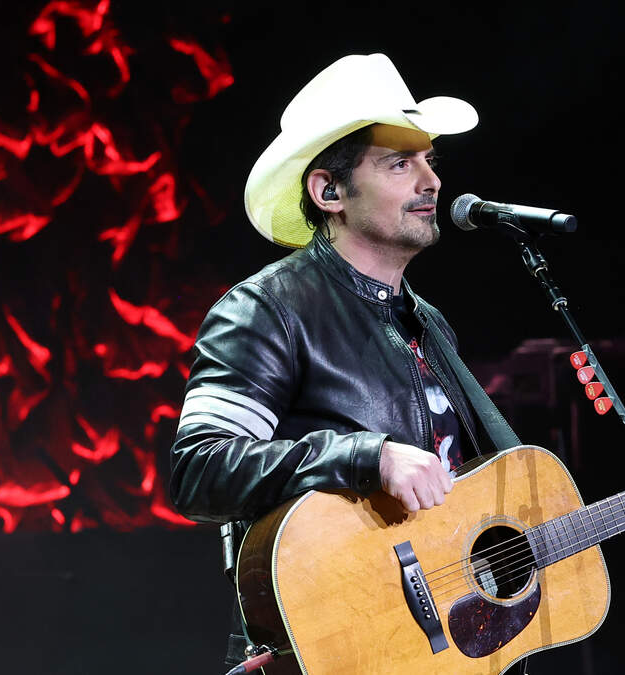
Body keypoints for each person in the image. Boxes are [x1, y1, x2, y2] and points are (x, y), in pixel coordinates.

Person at [167, 53, 524, 672]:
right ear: (328, 191)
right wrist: (366, 456)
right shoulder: (265, 309)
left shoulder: (429, 323)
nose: (431, 182)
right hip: (334, 649)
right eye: (400, 163)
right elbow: (199, 467)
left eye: (430, 161)